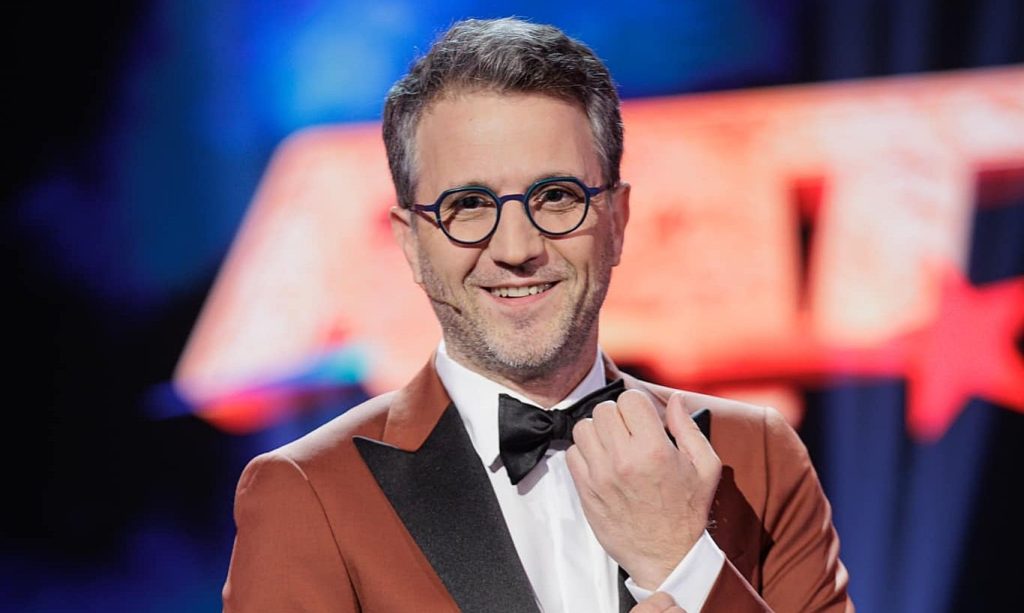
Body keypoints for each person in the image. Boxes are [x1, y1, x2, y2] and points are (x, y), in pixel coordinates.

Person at [222, 17, 852, 613]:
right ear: (410, 243)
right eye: (469, 204)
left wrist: (681, 563)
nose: (517, 248)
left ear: (618, 221)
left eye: (556, 196)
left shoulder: (755, 454)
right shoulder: (308, 492)